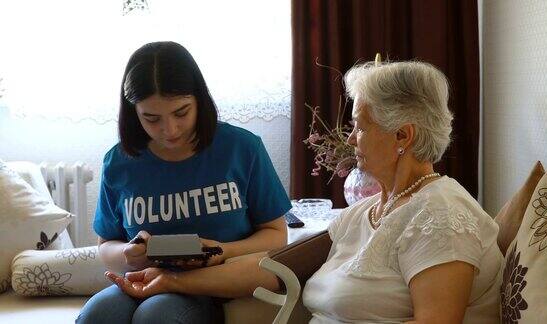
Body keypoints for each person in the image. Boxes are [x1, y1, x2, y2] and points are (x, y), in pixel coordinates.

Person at [105, 59, 503, 323]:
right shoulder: (366, 213)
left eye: (360, 126)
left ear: (403, 136)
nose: (351, 137)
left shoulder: (441, 215)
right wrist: (172, 280)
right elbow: (275, 264)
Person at [76, 41, 292, 324]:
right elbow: (107, 243)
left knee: (157, 316)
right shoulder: (119, 162)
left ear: (199, 100)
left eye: (181, 112)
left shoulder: (241, 148)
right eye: (151, 118)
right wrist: (130, 255)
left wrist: (221, 251)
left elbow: (277, 234)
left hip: (215, 282)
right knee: (98, 315)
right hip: (145, 277)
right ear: (133, 112)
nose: (170, 129)